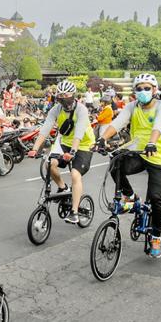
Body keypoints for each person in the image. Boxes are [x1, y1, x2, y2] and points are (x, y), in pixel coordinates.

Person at [97, 73, 161, 258]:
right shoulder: (132, 106)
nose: (143, 92)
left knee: (156, 198)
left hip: (158, 154)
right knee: (115, 162)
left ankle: (155, 236)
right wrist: (102, 139)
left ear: (154, 90)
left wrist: (152, 142)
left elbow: (159, 125)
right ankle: (130, 196)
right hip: (137, 152)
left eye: (147, 88)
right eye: (139, 89)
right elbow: (118, 122)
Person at [27, 79, 96, 225]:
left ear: (73, 96)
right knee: (50, 164)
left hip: (83, 145)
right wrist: (34, 149)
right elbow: (45, 130)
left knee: (75, 174)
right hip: (64, 142)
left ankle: (75, 212)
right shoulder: (56, 109)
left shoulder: (81, 109)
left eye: (66, 96)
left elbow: (79, 132)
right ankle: (63, 187)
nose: (63, 100)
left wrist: (72, 152)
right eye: (61, 97)